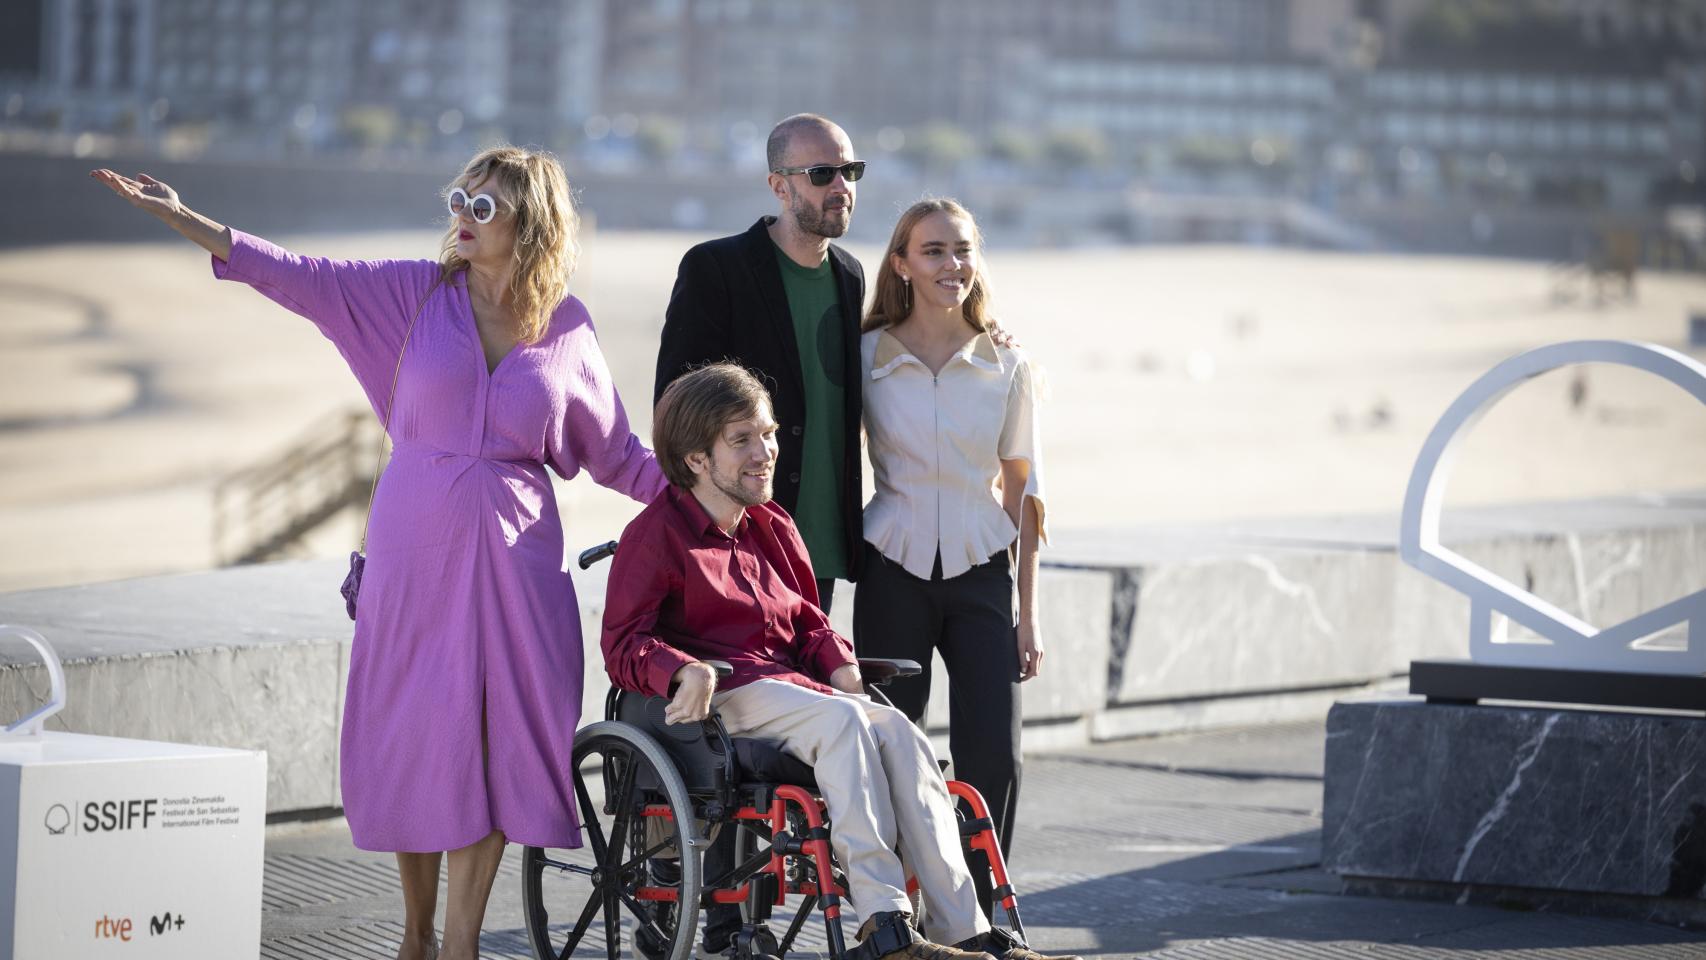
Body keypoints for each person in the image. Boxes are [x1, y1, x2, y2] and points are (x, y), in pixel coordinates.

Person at [91, 147, 667, 960]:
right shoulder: (412, 295)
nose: (462, 216)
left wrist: (706, 499)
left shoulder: (567, 326)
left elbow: (615, 452)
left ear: (531, 223)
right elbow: (302, 276)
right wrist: (188, 220)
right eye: (459, 199)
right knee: (420, 736)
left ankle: (460, 946)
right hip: (416, 553)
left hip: (519, 569)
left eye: (485, 206)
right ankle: (415, 935)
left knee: (500, 745)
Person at [602, 363, 1074, 960]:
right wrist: (680, 669)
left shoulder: (771, 525)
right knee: (846, 724)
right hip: (721, 698)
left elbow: (807, 620)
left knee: (901, 734)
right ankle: (886, 928)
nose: (765, 452)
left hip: (790, 690)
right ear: (696, 458)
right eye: (742, 440)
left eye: (768, 434)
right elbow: (622, 643)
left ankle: (966, 930)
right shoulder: (656, 535)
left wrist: (843, 668)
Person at [852, 199, 1046, 919]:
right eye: (933, 251)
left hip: (981, 577)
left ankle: (982, 906)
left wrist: (1028, 613)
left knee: (995, 754)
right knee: (893, 751)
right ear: (901, 263)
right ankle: (905, 906)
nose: (951, 265)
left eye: (962, 250)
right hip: (890, 569)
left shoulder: (1006, 361)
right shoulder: (867, 355)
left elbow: (1024, 489)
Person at [654, 113, 866, 611]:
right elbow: (674, 408)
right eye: (821, 174)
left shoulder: (851, 276)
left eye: (850, 172)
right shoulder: (716, 269)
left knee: (810, 687)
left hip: (822, 544)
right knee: (742, 689)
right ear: (779, 186)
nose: (840, 186)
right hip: (737, 540)